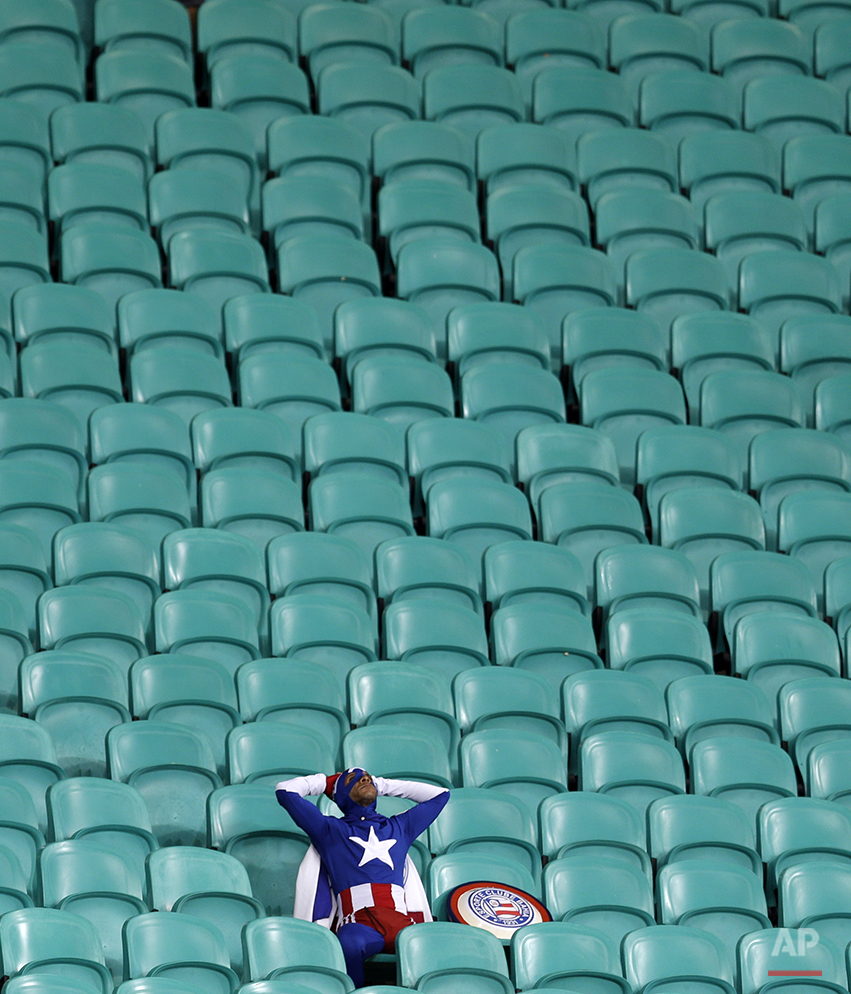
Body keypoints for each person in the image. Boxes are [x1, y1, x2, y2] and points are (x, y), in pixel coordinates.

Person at [275, 768, 449, 987]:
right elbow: (285, 791)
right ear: (341, 795)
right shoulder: (330, 830)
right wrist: (325, 783)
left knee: (438, 945)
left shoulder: (399, 826)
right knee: (348, 943)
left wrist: (381, 784)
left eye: (367, 777)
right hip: (360, 924)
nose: (364, 778)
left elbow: (441, 794)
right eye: (353, 779)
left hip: (402, 923)